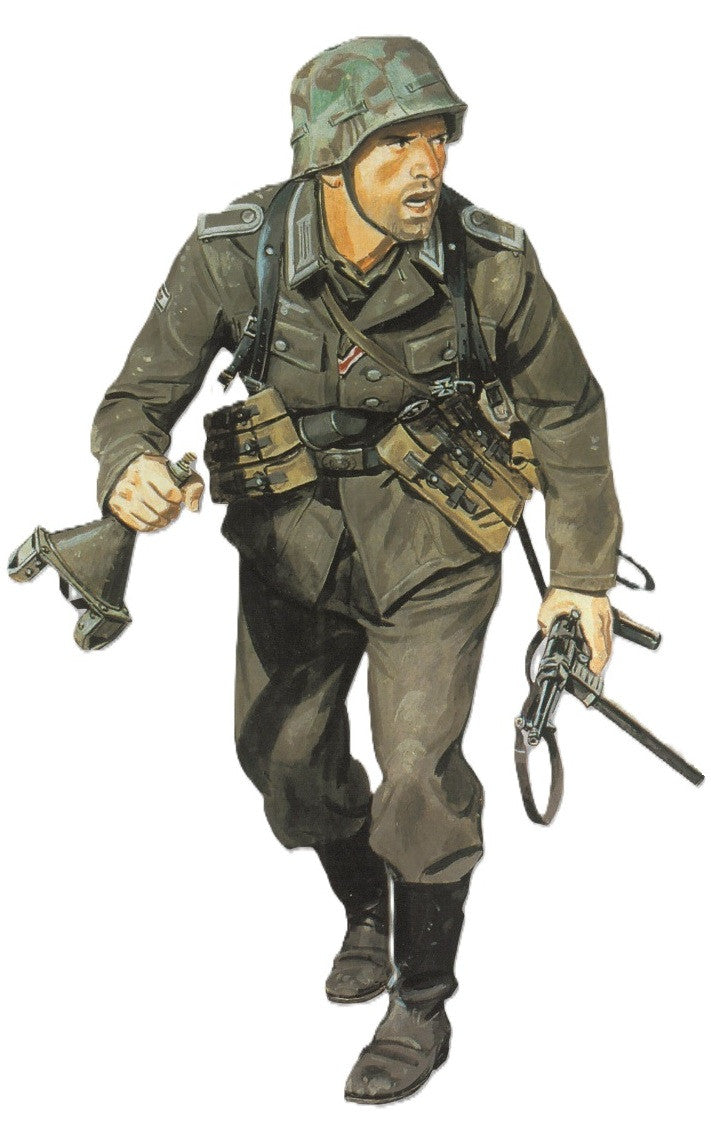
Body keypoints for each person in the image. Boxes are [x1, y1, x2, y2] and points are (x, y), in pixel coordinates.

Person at [91, 37, 622, 1104]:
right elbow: (133, 402)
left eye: (437, 139)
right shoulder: (235, 253)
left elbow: (566, 410)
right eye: (395, 145)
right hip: (290, 539)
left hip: (436, 540)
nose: (428, 167)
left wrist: (582, 579)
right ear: (329, 161)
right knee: (282, 760)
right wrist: (130, 467)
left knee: (418, 775)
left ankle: (422, 998)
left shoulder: (490, 262)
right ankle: (366, 910)